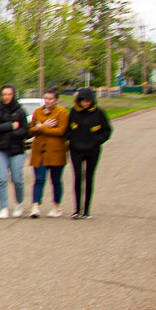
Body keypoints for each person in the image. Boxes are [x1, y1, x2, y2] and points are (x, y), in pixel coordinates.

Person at [65, 87, 113, 219]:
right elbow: (67, 128)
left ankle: (86, 210)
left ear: (92, 100)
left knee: (89, 178)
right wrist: (70, 138)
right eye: (82, 101)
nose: (85, 103)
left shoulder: (99, 113)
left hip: (93, 150)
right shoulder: (74, 112)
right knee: (78, 177)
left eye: (87, 101)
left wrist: (97, 141)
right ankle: (77, 210)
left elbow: (107, 131)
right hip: (76, 150)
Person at [0, 85, 30, 219]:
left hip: (16, 149)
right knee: (1, 178)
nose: (6, 97)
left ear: (13, 95)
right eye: (4, 94)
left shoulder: (20, 111)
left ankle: (19, 203)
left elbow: (25, 130)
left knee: (17, 179)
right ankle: (3, 207)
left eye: (9, 94)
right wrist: (10, 126)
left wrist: (12, 134)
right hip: (0, 149)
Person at [27, 88, 69, 218]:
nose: (48, 101)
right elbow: (31, 130)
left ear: (56, 100)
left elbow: (61, 131)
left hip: (56, 152)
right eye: (46, 98)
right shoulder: (37, 111)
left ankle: (57, 206)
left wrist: (42, 127)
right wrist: (40, 127)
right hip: (40, 151)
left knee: (56, 180)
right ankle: (35, 205)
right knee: (39, 179)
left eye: (50, 99)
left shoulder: (61, 112)